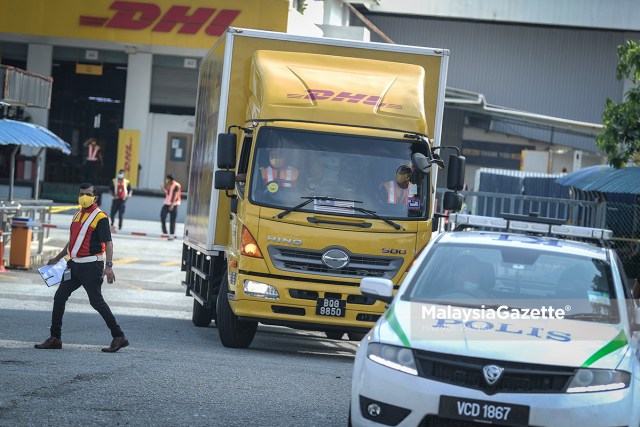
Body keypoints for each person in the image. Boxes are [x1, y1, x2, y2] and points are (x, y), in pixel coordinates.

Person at [34, 183, 129, 352]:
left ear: (95, 197)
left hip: (92, 266)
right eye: (81, 194)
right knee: (59, 297)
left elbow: (108, 243)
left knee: (96, 301)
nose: (84, 197)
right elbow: (73, 241)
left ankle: (119, 336)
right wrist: (57, 258)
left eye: (87, 194)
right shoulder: (78, 215)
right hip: (74, 265)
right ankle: (55, 338)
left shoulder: (100, 217)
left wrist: (109, 266)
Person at [161, 174, 181, 240]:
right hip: (167, 204)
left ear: (170, 179)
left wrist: (172, 205)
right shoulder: (170, 185)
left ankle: (171, 235)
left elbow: (175, 195)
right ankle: (165, 231)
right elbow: (168, 194)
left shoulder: (176, 185)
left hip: (174, 205)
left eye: (167, 179)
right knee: (162, 215)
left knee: (172, 221)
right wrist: (163, 189)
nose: (166, 180)